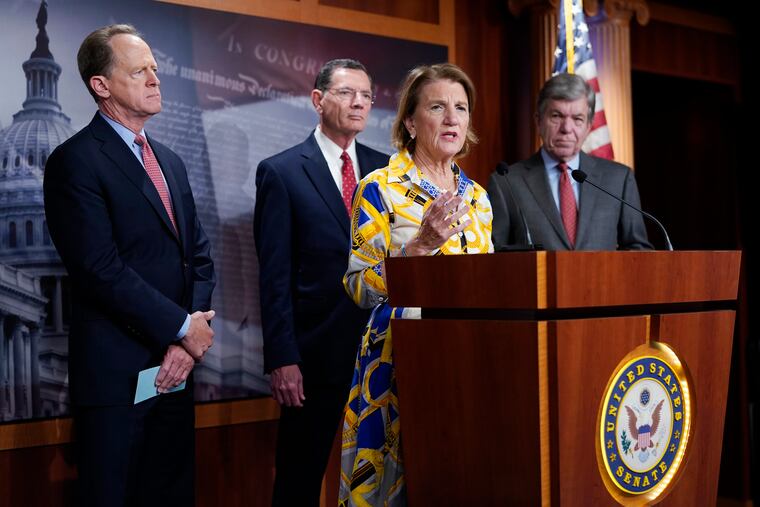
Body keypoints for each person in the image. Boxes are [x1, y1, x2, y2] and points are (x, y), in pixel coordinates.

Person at [43, 24, 215, 507]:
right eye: (140, 71)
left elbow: (197, 256)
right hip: (117, 379)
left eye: (155, 70)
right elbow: (99, 268)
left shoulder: (172, 162)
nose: (156, 79)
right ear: (101, 85)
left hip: (177, 372)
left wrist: (187, 341)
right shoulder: (74, 161)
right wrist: (182, 326)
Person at [339, 63, 493, 506]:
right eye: (438, 107)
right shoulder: (379, 188)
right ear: (410, 121)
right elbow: (356, 286)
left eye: (461, 108)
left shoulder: (478, 198)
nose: (452, 119)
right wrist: (419, 247)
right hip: (397, 361)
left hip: (468, 357)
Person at [253, 59, 388, 506]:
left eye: (366, 95)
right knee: (299, 477)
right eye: (348, 92)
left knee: (381, 477)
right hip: (313, 358)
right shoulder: (283, 172)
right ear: (318, 100)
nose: (359, 103)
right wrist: (282, 357)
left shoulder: (386, 172)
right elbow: (274, 276)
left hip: (381, 354)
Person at [487, 73, 652, 250]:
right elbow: (497, 257)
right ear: (539, 121)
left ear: (589, 126)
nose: (567, 129)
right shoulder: (506, 182)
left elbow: (638, 251)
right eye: (556, 116)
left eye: (577, 119)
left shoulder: (618, 179)